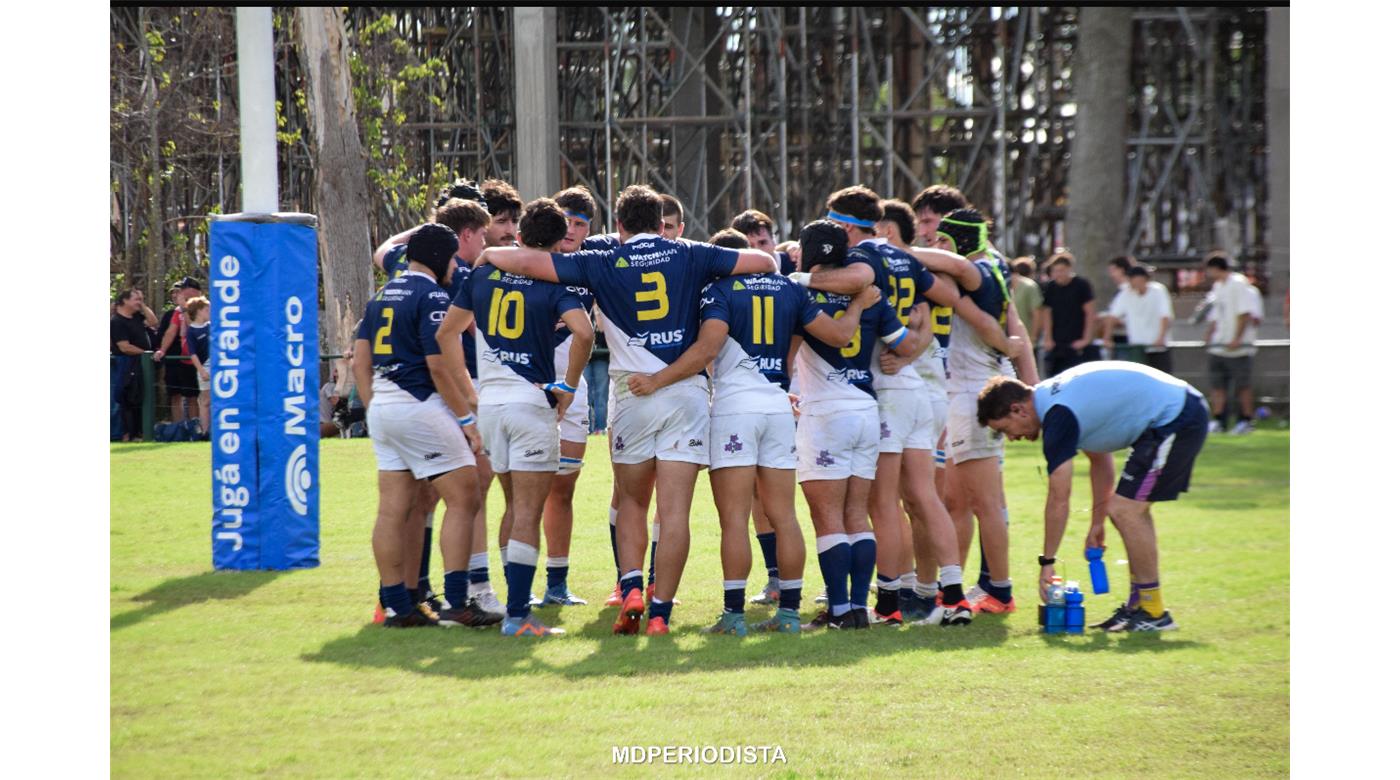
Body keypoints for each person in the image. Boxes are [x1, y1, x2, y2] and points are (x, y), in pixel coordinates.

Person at [477, 184, 778, 636]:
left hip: (633, 395)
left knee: (633, 501)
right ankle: (660, 614)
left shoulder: (599, 260)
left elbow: (527, 260)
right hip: (686, 394)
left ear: (618, 227)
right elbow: (765, 262)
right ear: (662, 224)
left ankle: (631, 585)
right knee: (674, 512)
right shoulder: (690, 253)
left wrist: (488, 257)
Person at [628, 221, 881, 635]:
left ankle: (734, 617)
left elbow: (708, 348)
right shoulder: (791, 289)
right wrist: (857, 306)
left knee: (734, 520)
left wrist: (657, 380)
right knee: (785, 517)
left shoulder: (719, 291)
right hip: (778, 409)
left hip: (735, 411)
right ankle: (789, 615)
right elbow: (837, 335)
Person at [444, 199, 594, 637]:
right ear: (555, 243)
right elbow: (584, 332)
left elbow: (446, 333)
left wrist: (469, 392)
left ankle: (515, 602)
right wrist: (567, 385)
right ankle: (517, 616)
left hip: (490, 405)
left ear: (521, 235)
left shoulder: (484, 273)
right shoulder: (554, 276)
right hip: (531, 405)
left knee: (512, 507)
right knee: (529, 510)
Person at [977, 361, 1211, 631]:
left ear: (1018, 409)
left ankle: (1153, 611)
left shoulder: (1057, 416)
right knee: (1124, 510)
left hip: (1178, 416)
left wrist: (1047, 562)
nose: (1012, 438)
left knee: (1127, 510)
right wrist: (1097, 523)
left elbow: (1059, 499)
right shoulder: (1056, 401)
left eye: (1006, 429)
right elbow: (1101, 461)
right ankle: (1139, 605)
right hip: (1173, 414)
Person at [787, 219, 921, 630]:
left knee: (828, 519)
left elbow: (787, 353)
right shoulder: (869, 295)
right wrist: (922, 325)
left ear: (808, 256)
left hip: (825, 411)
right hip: (867, 410)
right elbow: (906, 344)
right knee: (856, 516)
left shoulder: (799, 292)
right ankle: (860, 608)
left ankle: (841, 611)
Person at [352, 224, 485, 628]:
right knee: (465, 496)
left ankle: (398, 605)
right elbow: (438, 364)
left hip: (384, 406)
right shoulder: (431, 295)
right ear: (441, 257)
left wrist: (377, 409)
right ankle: (459, 602)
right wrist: (467, 420)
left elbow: (360, 360)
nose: (454, 266)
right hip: (418, 404)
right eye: (452, 259)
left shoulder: (381, 295)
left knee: (393, 509)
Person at [926, 208, 1039, 614]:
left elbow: (952, 267)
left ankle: (1000, 591)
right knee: (956, 500)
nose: (936, 246)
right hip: (967, 392)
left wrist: (896, 250)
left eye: (942, 239)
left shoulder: (974, 270)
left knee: (986, 504)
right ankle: (951, 587)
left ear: (961, 241)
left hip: (974, 396)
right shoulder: (991, 264)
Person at [534, 188, 602, 606]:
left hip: (573, 389)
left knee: (563, 488)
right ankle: (486, 585)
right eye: (567, 221)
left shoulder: (595, 261)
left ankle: (556, 584)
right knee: (519, 490)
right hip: (527, 384)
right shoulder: (525, 257)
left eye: (580, 223)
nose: (572, 230)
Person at [1202, 251, 1262, 434]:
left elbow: (1244, 313)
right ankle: (1220, 419)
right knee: (1217, 385)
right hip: (1218, 345)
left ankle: (1246, 420)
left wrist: (1237, 338)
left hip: (1238, 348)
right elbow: (1215, 314)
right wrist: (1209, 334)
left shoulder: (1238, 283)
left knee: (1242, 386)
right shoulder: (1218, 287)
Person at [1037, 251, 1098, 376]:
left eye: (1062, 270)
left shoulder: (1082, 285)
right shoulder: (1050, 287)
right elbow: (1047, 313)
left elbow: (1090, 313)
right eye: (1055, 271)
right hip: (1057, 341)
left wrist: (1086, 339)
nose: (1058, 274)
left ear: (1069, 269)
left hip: (1077, 341)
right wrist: (1048, 338)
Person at [1104, 266, 1174, 373]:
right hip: (1137, 348)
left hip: (1158, 347)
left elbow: (1165, 315)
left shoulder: (1158, 291)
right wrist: (1107, 338)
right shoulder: (1126, 293)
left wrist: (1161, 338)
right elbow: (1112, 317)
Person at [111, 288, 158, 441]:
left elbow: (153, 322)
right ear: (125, 301)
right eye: (135, 299)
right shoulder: (117, 321)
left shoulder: (137, 317)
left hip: (140, 363)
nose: (139, 302)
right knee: (127, 397)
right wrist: (145, 354)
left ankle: (139, 432)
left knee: (141, 396)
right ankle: (126, 434)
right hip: (126, 363)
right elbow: (124, 346)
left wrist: (142, 305)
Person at [155, 277, 202, 423]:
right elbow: (170, 331)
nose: (179, 293)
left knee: (193, 395)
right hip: (178, 358)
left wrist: (185, 309)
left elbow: (194, 328)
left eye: (183, 289)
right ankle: (179, 428)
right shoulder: (176, 311)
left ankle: (196, 428)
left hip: (196, 358)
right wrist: (162, 350)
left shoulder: (202, 306)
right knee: (175, 393)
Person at [732, 209, 797, 274]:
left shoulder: (796, 266)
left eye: (762, 243)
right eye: (749, 246)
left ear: (774, 240)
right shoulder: (732, 274)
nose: (757, 250)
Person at [182, 295, 212, 435]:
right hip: (205, 366)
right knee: (205, 401)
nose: (210, 311)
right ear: (199, 311)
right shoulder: (192, 331)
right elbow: (192, 353)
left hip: (217, 364)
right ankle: (204, 431)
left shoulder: (211, 327)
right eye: (207, 309)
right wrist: (201, 371)